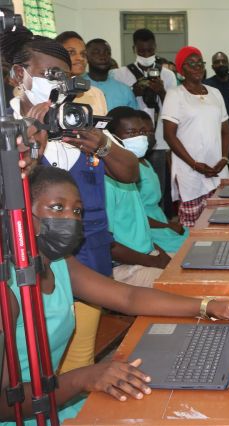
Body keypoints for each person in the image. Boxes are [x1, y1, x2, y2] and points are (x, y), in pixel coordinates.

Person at [0, 165, 229, 426]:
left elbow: (127, 297)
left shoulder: (60, 263)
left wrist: (208, 306)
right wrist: (83, 378)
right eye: (57, 208)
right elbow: (4, 404)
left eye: (77, 211)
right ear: (21, 214)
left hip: (51, 403)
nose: (70, 219)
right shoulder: (7, 287)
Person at [6, 32, 139, 373]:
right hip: (32, 272)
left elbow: (129, 173)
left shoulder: (78, 121)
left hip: (89, 260)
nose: (60, 84)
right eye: (51, 74)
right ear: (19, 75)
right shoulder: (8, 131)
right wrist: (28, 146)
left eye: (66, 77)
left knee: (79, 361)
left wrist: (103, 148)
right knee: (31, 367)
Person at [104, 106, 178, 287]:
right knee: (193, 288)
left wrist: (161, 257)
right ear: (111, 136)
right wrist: (155, 262)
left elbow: (142, 233)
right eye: (131, 133)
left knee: (196, 266)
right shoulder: (106, 182)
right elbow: (110, 246)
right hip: (125, 267)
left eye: (141, 132)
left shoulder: (129, 175)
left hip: (146, 256)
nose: (140, 138)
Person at [162, 46, 229, 227]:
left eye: (200, 63)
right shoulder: (175, 95)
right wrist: (194, 164)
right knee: (193, 224)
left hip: (217, 167)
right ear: (181, 70)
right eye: (191, 64)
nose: (197, 67)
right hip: (189, 169)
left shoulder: (215, 93)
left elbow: (225, 131)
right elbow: (169, 135)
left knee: (220, 218)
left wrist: (224, 159)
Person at [113, 28, 178, 218]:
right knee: (127, 183)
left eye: (150, 51)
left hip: (156, 140)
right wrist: (133, 92)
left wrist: (161, 92)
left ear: (155, 47)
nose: (146, 55)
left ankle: (160, 222)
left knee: (157, 186)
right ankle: (133, 221)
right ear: (134, 48)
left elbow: (174, 110)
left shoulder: (168, 75)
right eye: (141, 51)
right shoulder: (121, 75)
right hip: (128, 139)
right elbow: (118, 108)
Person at [137, 109, 189, 252]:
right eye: (142, 132)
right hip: (149, 230)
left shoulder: (146, 163)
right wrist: (167, 226)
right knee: (192, 247)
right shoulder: (128, 171)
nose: (148, 137)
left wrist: (167, 224)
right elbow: (135, 218)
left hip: (161, 223)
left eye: (151, 131)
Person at [54, 31, 107, 116]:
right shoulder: (50, 92)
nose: (81, 58)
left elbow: (102, 126)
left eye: (83, 54)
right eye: (71, 52)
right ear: (56, 55)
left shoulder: (97, 94)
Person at [85, 38, 138, 111]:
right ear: (86, 57)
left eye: (107, 53)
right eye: (97, 52)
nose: (103, 57)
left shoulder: (125, 91)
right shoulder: (77, 86)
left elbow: (134, 119)